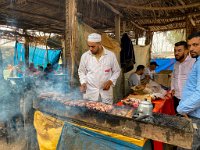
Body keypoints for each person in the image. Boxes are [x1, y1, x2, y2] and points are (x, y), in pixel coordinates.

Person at [78, 33, 121, 104]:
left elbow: (117, 71)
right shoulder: (85, 56)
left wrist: (110, 81)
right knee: (89, 113)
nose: (90, 49)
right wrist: (83, 83)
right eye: (89, 46)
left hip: (105, 93)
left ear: (100, 44)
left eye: (93, 46)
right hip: (90, 93)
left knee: (106, 112)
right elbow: (81, 71)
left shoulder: (110, 55)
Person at [177, 32, 200, 150]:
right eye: (190, 45)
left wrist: (182, 108)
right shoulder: (197, 62)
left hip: (196, 117)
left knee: (187, 146)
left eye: (195, 45)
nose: (191, 48)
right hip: (192, 112)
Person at [171, 41, 195, 113]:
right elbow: (173, 77)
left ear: (186, 51)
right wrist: (172, 88)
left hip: (189, 99)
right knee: (178, 119)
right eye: (175, 50)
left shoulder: (193, 62)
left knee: (190, 121)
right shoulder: (176, 64)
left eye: (179, 50)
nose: (176, 53)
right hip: (176, 97)